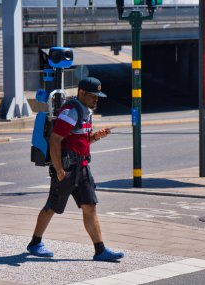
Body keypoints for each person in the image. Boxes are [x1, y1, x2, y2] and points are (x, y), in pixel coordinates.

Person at [27, 77, 124, 262]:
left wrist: (97, 136)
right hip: (68, 169)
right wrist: (59, 170)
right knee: (52, 206)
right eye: (93, 96)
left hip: (83, 168)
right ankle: (34, 243)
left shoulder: (86, 112)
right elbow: (55, 139)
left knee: (90, 206)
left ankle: (100, 250)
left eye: (98, 96)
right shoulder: (70, 112)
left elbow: (82, 141)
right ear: (81, 93)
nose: (97, 99)